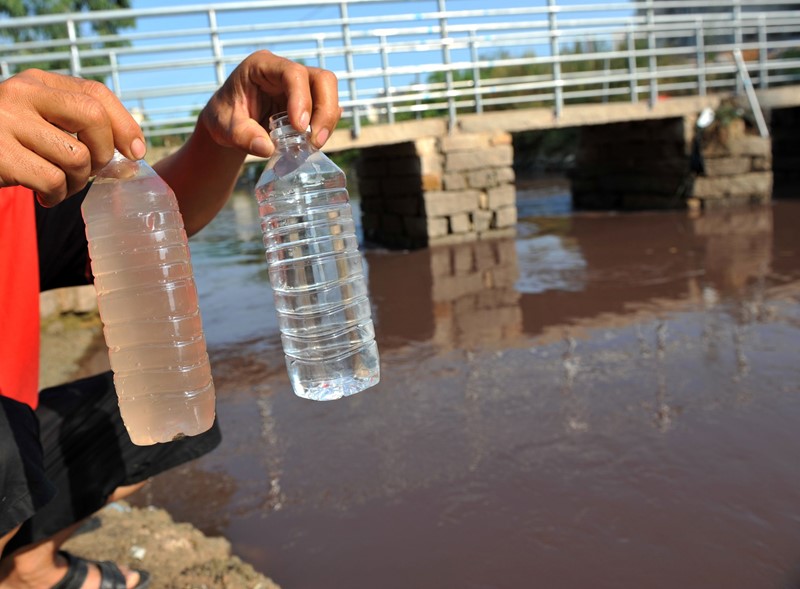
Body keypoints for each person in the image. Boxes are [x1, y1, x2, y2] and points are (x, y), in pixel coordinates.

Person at [0, 50, 341, 588]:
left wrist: (218, 136)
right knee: (4, 447)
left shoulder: (14, 194)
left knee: (163, 408)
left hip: (15, 429)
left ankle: (27, 566)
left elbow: (148, 227)